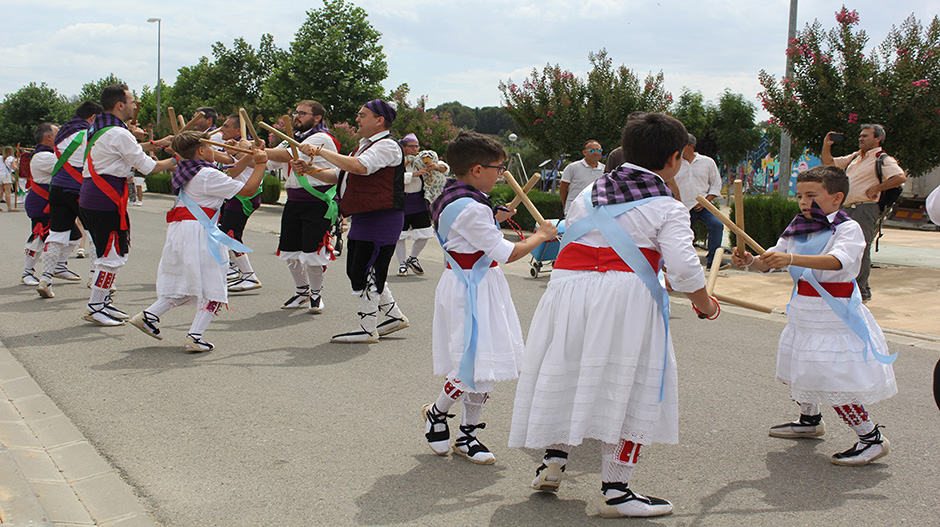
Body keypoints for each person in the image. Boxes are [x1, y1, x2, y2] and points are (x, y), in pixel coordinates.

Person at [509, 113, 719, 518]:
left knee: (572, 371)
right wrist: (706, 305)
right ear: (675, 158)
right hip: (624, 297)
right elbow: (685, 270)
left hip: (567, 292)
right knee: (629, 382)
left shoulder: (589, 195)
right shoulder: (666, 206)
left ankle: (553, 462)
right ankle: (617, 489)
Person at [731, 165, 896, 466]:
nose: (804, 202)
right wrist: (750, 261)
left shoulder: (847, 228)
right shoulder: (798, 225)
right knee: (799, 367)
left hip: (834, 316)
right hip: (803, 313)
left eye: (811, 195)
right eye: (800, 196)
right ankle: (810, 420)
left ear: (837, 198)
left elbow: (838, 262)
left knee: (834, 380)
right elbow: (770, 261)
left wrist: (791, 258)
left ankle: (871, 438)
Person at [421, 131, 558, 464]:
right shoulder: (471, 208)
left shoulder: (456, 197)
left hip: (475, 283)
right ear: (477, 170)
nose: (501, 174)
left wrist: (491, 219)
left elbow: (469, 234)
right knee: (471, 364)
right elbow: (505, 253)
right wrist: (541, 236)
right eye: (498, 167)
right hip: (472, 287)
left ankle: (468, 435)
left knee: (486, 364)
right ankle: (437, 413)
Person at [129, 131, 268, 352]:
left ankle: (149, 316)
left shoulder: (188, 170)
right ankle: (194, 336)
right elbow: (248, 190)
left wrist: (248, 156)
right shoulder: (207, 175)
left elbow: (230, 173)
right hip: (200, 232)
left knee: (189, 282)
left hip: (183, 230)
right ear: (202, 150)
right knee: (213, 284)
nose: (216, 151)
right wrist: (260, 163)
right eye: (212, 147)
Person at [301, 99, 410, 343]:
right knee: (360, 268)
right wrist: (310, 170)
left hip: (382, 216)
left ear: (379, 120)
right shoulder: (362, 148)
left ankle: (367, 326)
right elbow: (339, 175)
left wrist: (319, 152)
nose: (357, 120)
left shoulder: (388, 147)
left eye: (362, 115)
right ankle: (393, 316)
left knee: (370, 268)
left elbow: (360, 168)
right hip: (365, 215)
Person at [79, 84, 176, 326]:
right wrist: (178, 159)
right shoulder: (118, 133)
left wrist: (157, 144)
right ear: (120, 105)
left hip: (94, 196)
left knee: (107, 253)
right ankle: (95, 306)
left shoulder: (100, 130)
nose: (135, 105)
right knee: (111, 255)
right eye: (132, 101)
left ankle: (102, 303)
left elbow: (129, 151)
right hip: (105, 198)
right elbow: (149, 167)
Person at [265, 101, 341, 309]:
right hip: (294, 202)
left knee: (313, 253)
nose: (296, 116)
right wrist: (252, 151)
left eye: (302, 113)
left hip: (317, 202)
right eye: (295, 112)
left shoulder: (320, 138)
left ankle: (316, 294)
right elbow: (270, 161)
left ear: (317, 118)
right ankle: (301, 291)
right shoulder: (292, 140)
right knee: (290, 249)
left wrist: (263, 150)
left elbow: (284, 155)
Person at [821, 125, 906, 302]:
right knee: (840, 245)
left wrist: (877, 188)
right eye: (860, 136)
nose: (861, 138)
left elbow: (900, 177)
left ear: (877, 139)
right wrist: (827, 145)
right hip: (847, 208)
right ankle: (846, 285)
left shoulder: (882, 159)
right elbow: (828, 163)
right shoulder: (855, 157)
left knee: (860, 248)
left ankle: (861, 290)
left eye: (865, 136)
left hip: (864, 207)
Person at [37, 101, 102, 290]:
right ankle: (93, 277)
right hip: (80, 190)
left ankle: (45, 278)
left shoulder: (62, 135)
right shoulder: (87, 135)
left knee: (56, 234)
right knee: (95, 234)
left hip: (57, 188)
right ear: (92, 118)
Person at [213, 114, 264, 293]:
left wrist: (242, 151)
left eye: (226, 126)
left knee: (230, 235)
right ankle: (236, 270)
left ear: (237, 130)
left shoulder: (250, 149)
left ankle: (249, 276)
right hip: (234, 195)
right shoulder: (233, 147)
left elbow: (234, 172)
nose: (222, 129)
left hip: (245, 197)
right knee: (223, 234)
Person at [396, 133, 449, 277]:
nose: (414, 149)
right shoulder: (397, 159)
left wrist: (436, 166)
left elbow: (445, 167)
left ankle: (412, 258)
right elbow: (391, 179)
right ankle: (401, 264)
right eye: (411, 146)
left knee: (425, 232)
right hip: (401, 200)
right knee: (400, 235)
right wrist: (413, 175)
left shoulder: (424, 158)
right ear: (403, 147)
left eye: (416, 146)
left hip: (419, 200)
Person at [23, 123, 66, 293]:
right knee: (39, 236)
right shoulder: (43, 156)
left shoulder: (49, 154)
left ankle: (59, 267)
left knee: (71, 236)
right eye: (58, 132)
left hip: (51, 201)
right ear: (49, 137)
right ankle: (27, 272)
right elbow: (65, 167)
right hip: (41, 202)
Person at [673, 133, 724, 267]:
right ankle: (682, 263)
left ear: (691, 147)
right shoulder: (674, 163)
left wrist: (706, 200)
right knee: (681, 232)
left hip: (705, 205)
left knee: (717, 225)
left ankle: (713, 261)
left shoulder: (707, 162)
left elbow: (716, 184)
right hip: (683, 206)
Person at [559, 140, 605, 214]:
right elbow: (563, 187)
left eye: (598, 150)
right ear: (584, 152)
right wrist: (566, 205)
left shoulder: (605, 170)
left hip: (595, 212)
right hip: (574, 211)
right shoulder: (572, 167)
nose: (596, 153)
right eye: (592, 150)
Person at [1, 146, 17, 211]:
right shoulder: (11, 158)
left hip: (0, 174)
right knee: (7, 192)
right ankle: (9, 207)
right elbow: (13, 167)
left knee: (0, 191)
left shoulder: (0, 158)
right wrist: (16, 167)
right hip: (6, 175)